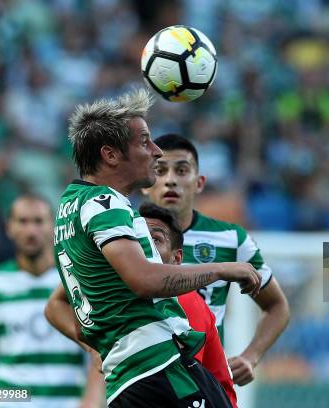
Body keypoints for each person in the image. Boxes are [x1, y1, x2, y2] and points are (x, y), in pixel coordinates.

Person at [54, 88, 260, 407]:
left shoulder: (70, 207)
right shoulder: (104, 203)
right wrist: (222, 270)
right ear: (110, 155)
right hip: (158, 370)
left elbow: (70, 307)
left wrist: (100, 347)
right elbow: (144, 280)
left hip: (127, 379)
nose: (156, 152)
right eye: (145, 142)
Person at [45, 202, 238, 407]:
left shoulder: (185, 301)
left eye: (155, 240)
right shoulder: (117, 289)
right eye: (137, 240)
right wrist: (96, 349)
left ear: (176, 258)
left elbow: (183, 381)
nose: (145, 248)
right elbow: (55, 305)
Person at [143, 134, 290, 385]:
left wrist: (250, 357)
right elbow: (63, 303)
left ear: (199, 182)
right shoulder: (122, 234)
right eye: (160, 170)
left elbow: (277, 307)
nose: (170, 180)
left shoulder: (230, 238)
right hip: (144, 381)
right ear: (146, 182)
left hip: (206, 381)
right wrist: (95, 350)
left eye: (181, 170)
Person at [0, 194, 105, 408]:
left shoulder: (75, 279)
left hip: (66, 402)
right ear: (9, 228)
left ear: (53, 226)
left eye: (38, 221)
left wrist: (90, 401)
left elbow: (99, 347)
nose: (31, 231)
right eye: (22, 222)